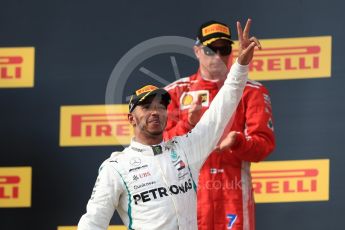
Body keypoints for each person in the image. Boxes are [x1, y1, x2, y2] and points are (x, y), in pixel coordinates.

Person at [77, 19, 260, 230]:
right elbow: (92, 223)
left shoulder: (186, 150)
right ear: (131, 118)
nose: (155, 112)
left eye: (161, 106)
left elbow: (222, 109)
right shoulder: (117, 167)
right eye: (146, 107)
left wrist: (241, 66)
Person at [164, 20, 275, 230]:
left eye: (223, 49)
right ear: (197, 51)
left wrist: (238, 141)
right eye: (210, 49)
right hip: (187, 198)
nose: (217, 56)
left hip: (233, 197)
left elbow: (263, 146)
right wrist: (188, 125)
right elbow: (160, 149)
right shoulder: (174, 92)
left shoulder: (252, 91)